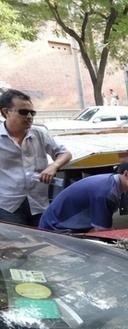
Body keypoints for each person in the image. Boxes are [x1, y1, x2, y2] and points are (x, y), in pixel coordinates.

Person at [0, 89, 72, 226]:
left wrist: (53, 167)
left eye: (32, 113)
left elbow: (65, 153)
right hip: (7, 206)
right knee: (17, 244)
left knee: (43, 242)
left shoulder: (39, 133)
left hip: (38, 202)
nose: (29, 116)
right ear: (5, 112)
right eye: (23, 112)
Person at [39, 157, 128, 233]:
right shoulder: (107, 192)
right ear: (126, 174)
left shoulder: (110, 182)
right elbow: (102, 230)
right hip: (55, 227)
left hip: (57, 221)